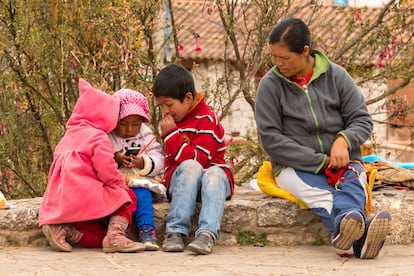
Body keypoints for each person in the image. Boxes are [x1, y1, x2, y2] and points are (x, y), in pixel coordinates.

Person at [255, 18, 392, 259]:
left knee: (353, 184)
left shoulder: (337, 76)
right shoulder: (270, 85)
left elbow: (362, 120)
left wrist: (344, 140)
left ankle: (353, 237)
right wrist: (321, 161)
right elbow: (271, 139)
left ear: (305, 51)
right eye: (274, 57)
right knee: (321, 194)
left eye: (284, 57)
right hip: (295, 166)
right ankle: (359, 236)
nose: (277, 63)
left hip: (344, 162)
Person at [38, 78, 145, 253]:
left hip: (61, 201)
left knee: (97, 234)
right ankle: (116, 236)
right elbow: (106, 171)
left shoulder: (68, 136)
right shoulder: (97, 137)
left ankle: (65, 231)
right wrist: (119, 183)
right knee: (128, 197)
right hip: (83, 197)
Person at [152, 63, 235, 255]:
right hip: (183, 183)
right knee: (189, 168)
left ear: (188, 98)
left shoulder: (207, 120)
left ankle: (206, 234)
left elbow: (199, 160)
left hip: (212, 181)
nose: (165, 111)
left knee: (211, 172)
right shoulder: (171, 123)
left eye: (169, 104)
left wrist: (171, 135)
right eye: (161, 106)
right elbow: (180, 163)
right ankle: (175, 231)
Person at [109, 88, 165, 251]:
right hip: (116, 184)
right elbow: (99, 158)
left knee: (142, 197)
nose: (129, 129)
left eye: (135, 124)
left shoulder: (146, 138)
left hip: (139, 182)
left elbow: (158, 159)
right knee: (119, 201)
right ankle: (123, 233)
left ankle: (147, 231)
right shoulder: (108, 137)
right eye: (123, 124)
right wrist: (115, 158)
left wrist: (142, 163)